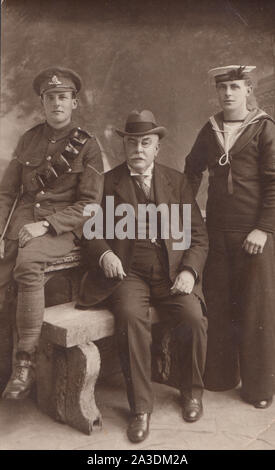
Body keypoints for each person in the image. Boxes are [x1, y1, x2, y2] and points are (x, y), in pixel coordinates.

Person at [77, 109, 208, 443]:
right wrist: (105, 254)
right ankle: (141, 409)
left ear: (157, 147)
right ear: (124, 146)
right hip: (127, 272)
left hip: (171, 271)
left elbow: (198, 236)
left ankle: (191, 393)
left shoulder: (175, 182)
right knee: (131, 318)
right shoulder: (107, 183)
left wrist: (190, 272)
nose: (138, 148)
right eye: (132, 142)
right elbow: (90, 233)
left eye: (145, 142)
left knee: (193, 316)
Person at [0, 67, 104, 400]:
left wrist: (46, 225)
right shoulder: (29, 139)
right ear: (42, 103)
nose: (56, 103)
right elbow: (7, 193)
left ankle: (24, 362)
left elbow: (90, 205)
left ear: (74, 102)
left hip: (62, 227)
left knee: (27, 264)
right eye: (50, 98)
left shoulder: (87, 146)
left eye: (63, 97)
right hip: (21, 221)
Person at [184, 65, 275, 409]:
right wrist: (188, 218)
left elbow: (274, 183)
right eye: (222, 88)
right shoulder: (209, 130)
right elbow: (190, 173)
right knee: (219, 305)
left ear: (249, 89)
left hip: (255, 235)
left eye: (235, 86)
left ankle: (259, 389)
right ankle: (220, 376)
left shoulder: (264, 129)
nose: (228, 93)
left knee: (255, 311)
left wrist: (264, 228)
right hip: (217, 233)